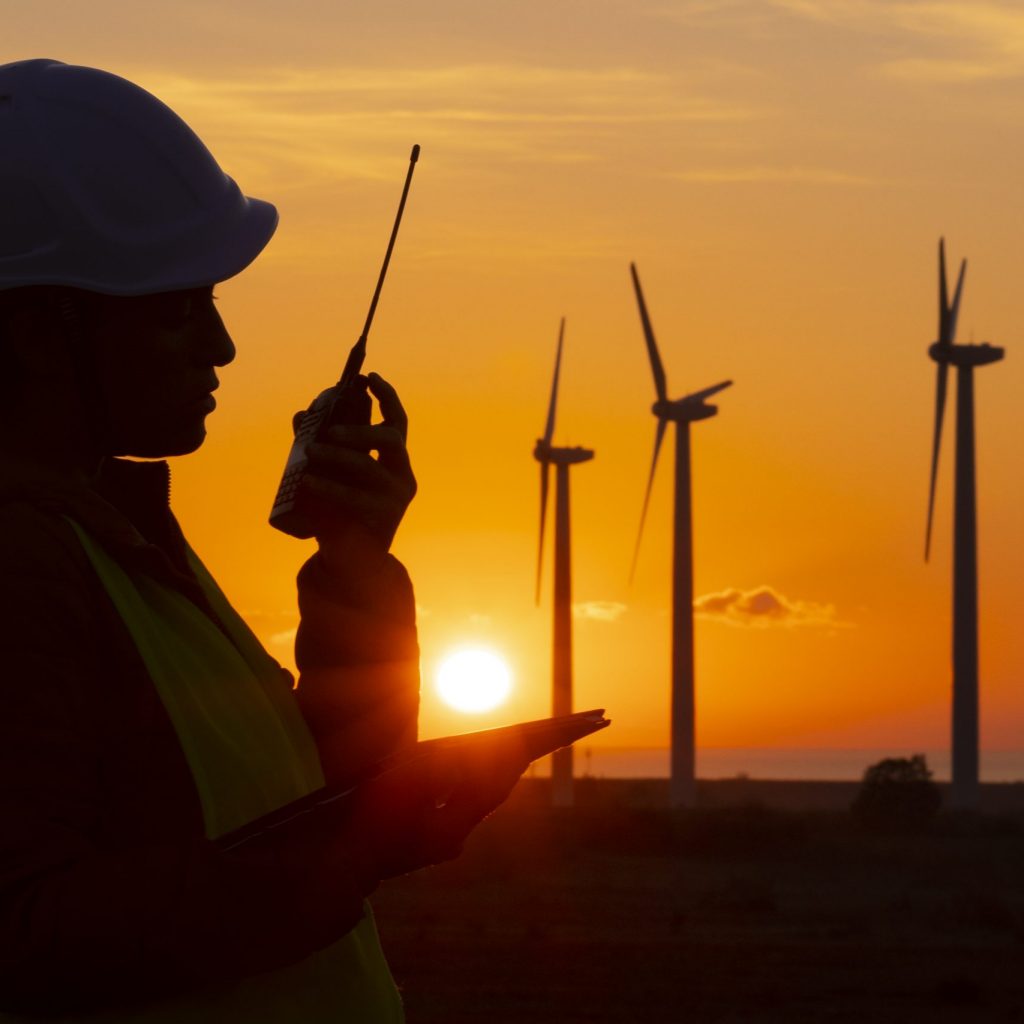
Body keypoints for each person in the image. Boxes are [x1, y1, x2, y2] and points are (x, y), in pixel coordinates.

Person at [0, 58, 527, 1021]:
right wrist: (355, 849)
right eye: (177, 306)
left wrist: (354, 565)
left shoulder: (110, 538)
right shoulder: (21, 568)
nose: (221, 346)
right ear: (39, 331)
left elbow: (287, 792)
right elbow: (28, 938)